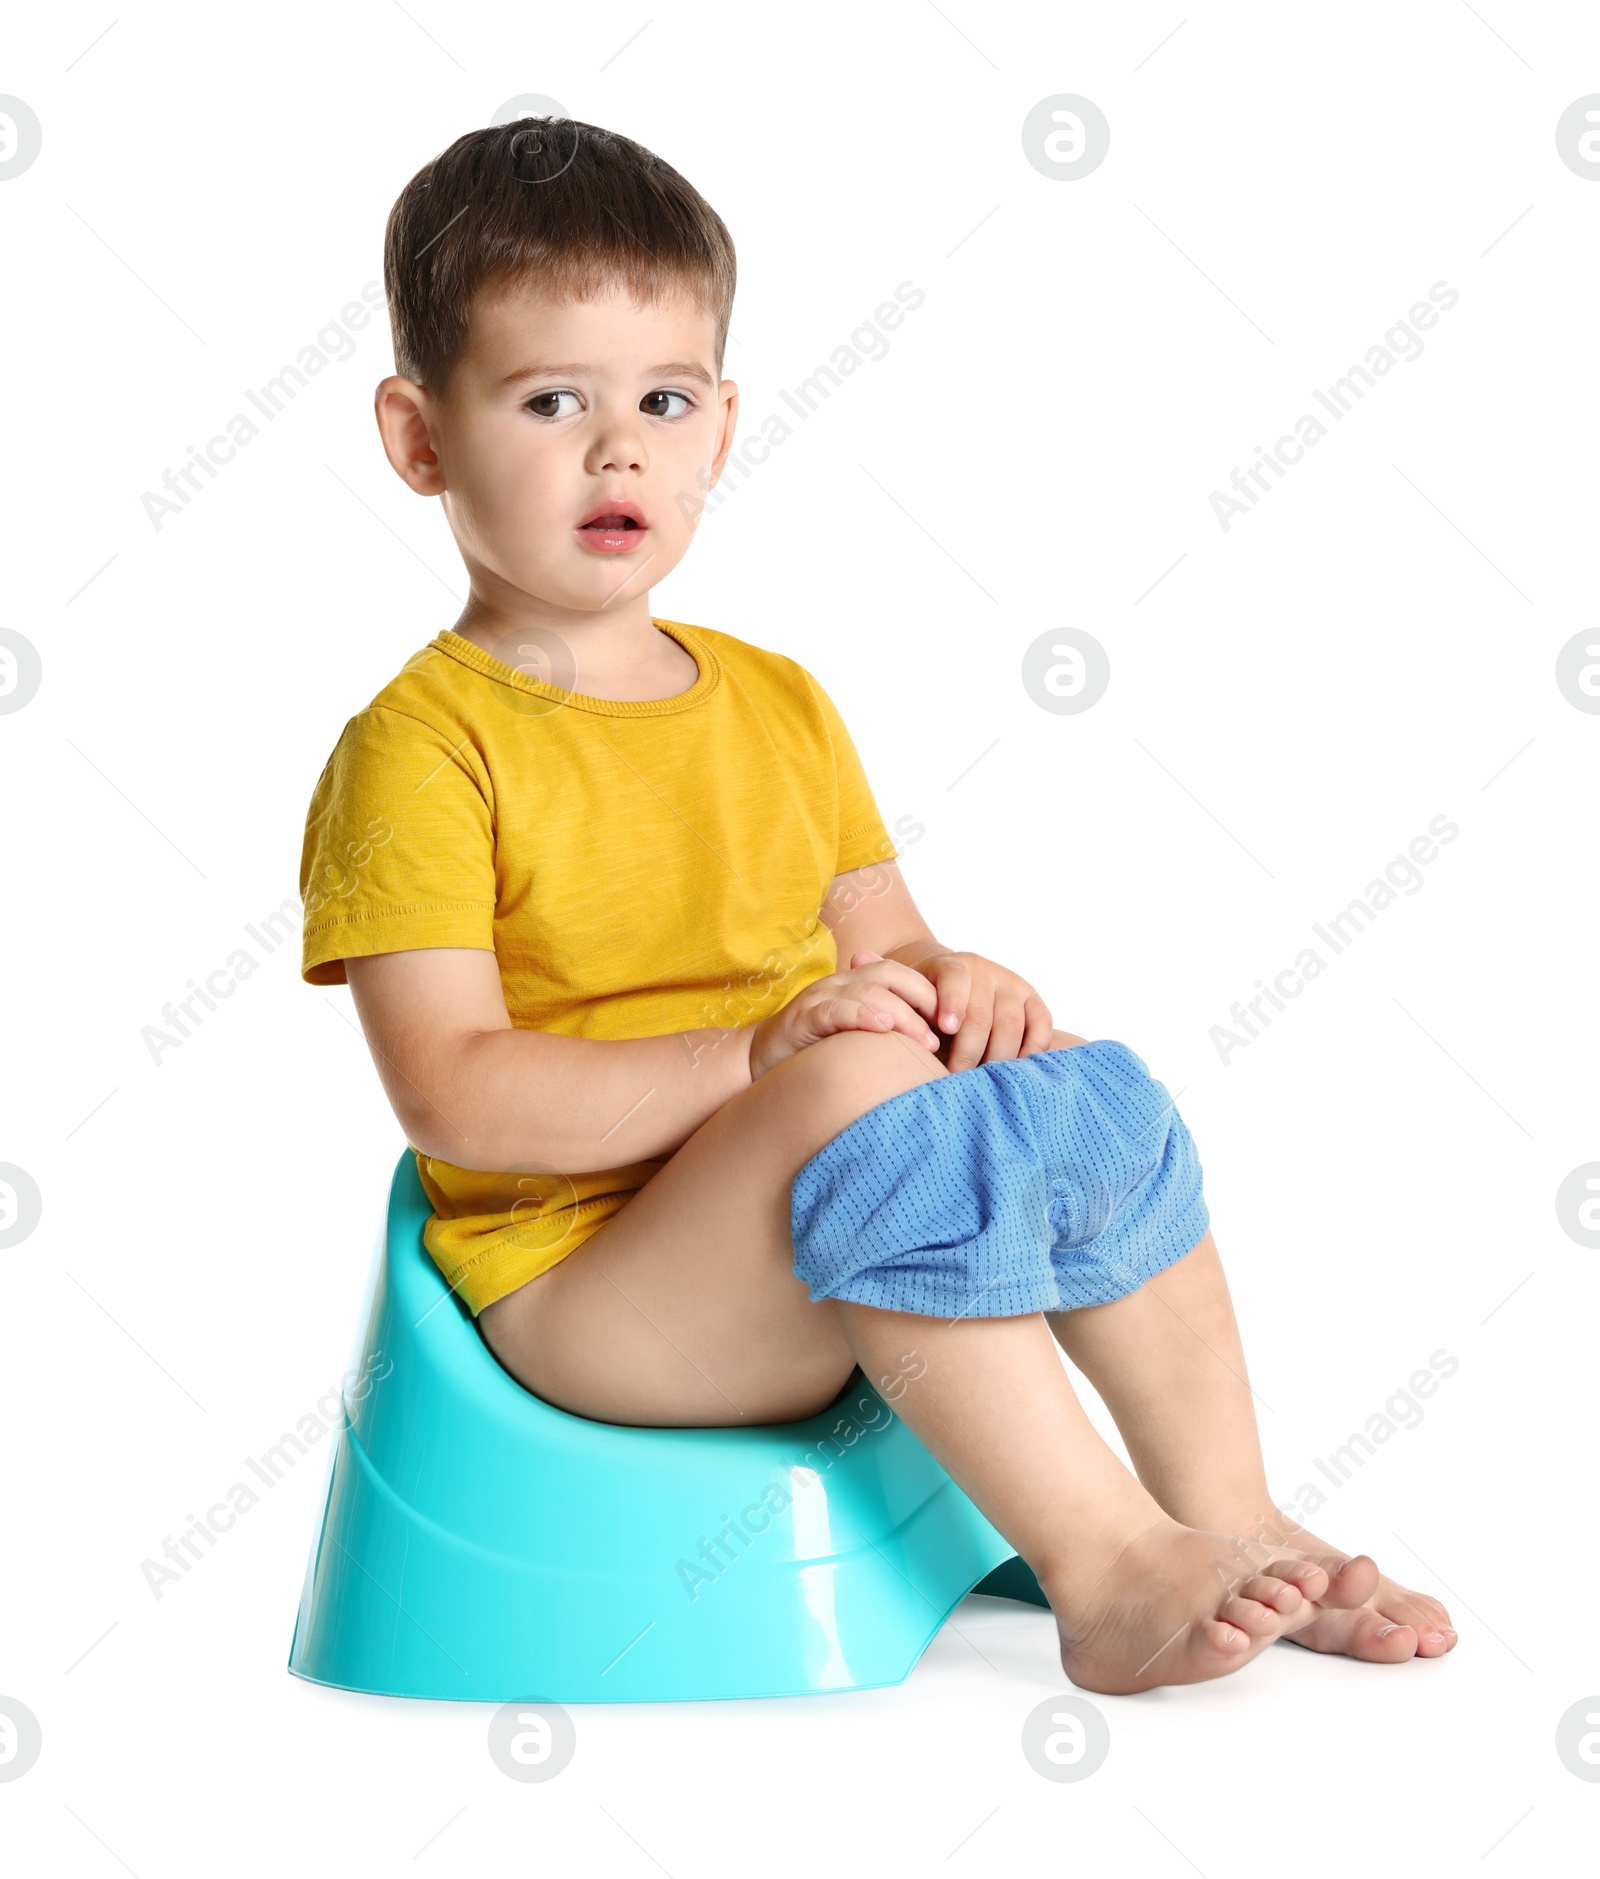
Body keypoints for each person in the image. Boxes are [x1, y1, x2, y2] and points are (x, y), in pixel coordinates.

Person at [298, 116, 1456, 1695]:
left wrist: (958, 985)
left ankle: (1231, 1516)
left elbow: (885, 955)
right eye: (551, 400)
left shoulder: (777, 704)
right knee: (859, 1086)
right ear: (420, 438)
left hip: (803, 1210)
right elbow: (454, 1091)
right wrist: (769, 1058)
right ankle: (1102, 1567)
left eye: (663, 401)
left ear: (721, 429)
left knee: (1072, 1090)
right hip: (592, 1296)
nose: (616, 448)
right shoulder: (420, 750)